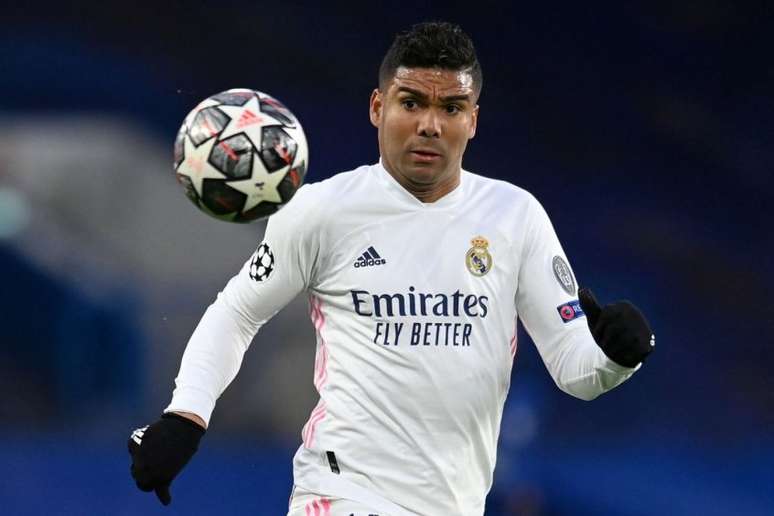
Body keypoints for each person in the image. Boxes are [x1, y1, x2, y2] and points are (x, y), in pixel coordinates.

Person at [128, 21, 654, 516]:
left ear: (472, 119)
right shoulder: (322, 211)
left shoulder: (514, 217)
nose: (429, 124)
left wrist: (616, 356)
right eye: (411, 102)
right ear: (378, 107)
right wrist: (186, 415)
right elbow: (237, 313)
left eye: (451, 107)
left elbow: (575, 371)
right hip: (341, 494)